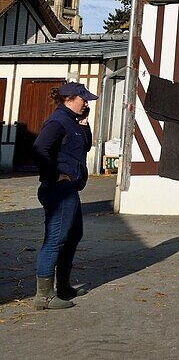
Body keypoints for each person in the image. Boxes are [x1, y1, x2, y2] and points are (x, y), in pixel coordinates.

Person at [31, 81, 97, 310]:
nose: (86, 102)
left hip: (70, 190)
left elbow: (85, 147)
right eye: (83, 99)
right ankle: (44, 297)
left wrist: (85, 125)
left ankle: (63, 287)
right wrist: (54, 174)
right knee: (55, 240)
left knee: (73, 236)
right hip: (58, 190)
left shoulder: (73, 122)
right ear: (69, 99)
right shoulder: (58, 122)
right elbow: (40, 148)